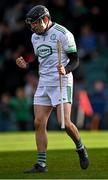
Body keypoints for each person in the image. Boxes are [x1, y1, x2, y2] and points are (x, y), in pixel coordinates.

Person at [16, 5, 89, 173]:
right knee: (39, 122)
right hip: (44, 82)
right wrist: (26, 64)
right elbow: (39, 60)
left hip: (61, 81)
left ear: (45, 19)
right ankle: (41, 164)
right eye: (31, 24)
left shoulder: (63, 34)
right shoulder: (35, 37)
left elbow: (75, 60)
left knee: (65, 123)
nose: (33, 27)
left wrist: (67, 69)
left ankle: (81, 148)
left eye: (35, 23)